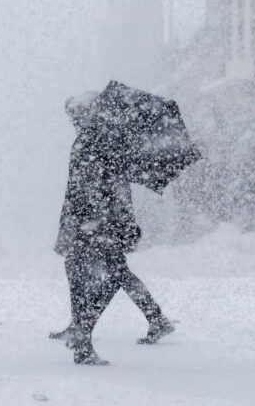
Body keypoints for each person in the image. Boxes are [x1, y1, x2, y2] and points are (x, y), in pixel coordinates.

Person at [50, 93, 174, 365]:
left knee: (106, 274)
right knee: (104, 272)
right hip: (97, 222)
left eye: (75, 113)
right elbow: (90, 188)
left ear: (87, 112)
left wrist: (79, 223)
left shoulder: (94, 141)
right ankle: (150, 318)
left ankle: (83, 334)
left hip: (97, 223)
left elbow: (90, 190)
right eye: (71, 114)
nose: (73, 119)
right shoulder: (99, 139)